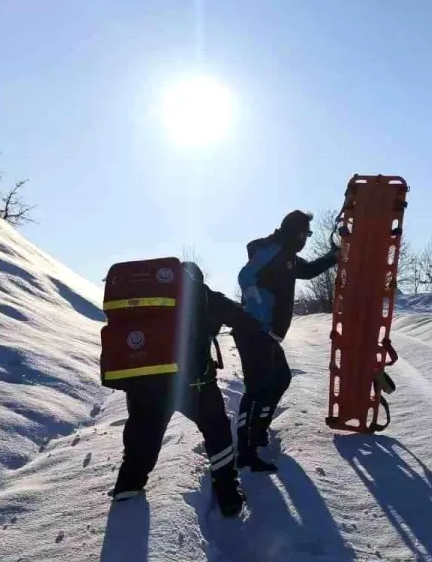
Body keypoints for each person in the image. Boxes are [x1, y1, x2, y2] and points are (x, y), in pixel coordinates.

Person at [111, 261, 261, 518]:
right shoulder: (203, 294)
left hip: (149, 382)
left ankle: (129, 484)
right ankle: (228, 494)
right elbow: (241, 319)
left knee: (143, 432)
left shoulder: (145, 295)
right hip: (196, 384)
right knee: (217, 431)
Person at [233, 210, 338, 471]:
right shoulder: (271, 251)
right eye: (305, 233)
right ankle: (246, 452)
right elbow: (245, 277)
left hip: (264, 333)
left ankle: (256, 434)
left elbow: (310, 270)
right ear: (294, 231)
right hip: (256, 330)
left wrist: (334, 256)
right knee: (258, 388)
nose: (307, 238)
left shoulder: (286, 257)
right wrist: (258, 309)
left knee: (279, 380)